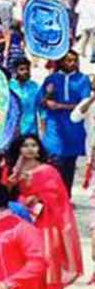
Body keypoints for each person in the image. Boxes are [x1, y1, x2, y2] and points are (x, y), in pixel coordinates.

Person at [5, 135, 83, 289]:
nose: (30, 149)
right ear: (19, 149)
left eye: (34, 145)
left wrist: (39, 197)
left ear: (39, 149)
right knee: (22, 262)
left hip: (45, 223)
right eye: (25, 146)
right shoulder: (13, 170)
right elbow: (4, 196)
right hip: (20, 221)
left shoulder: (48, 170)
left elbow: (59, 197)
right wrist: (13, 182)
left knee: (41, 262)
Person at [41, 50, 91, 190]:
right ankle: (52, 197)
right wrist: (48, 96)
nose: (72, 63)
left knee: (69, 165)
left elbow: (84, 104)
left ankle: (65, 198)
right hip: (54, 126)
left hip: (73, 128)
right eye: (68, 60)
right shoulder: (51, 79)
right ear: (61, 62)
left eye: (74, 60)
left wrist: (59, 106)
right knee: (53, 162)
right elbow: (41, 102)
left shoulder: (83, 80)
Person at [10, 59, 40, 137]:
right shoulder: (9, 87)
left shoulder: (35, 86)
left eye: (27, 69)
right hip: (12, 131)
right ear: (15, 71)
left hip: (31, 131)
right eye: (21, 69)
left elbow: (42, 109)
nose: (25, 71)